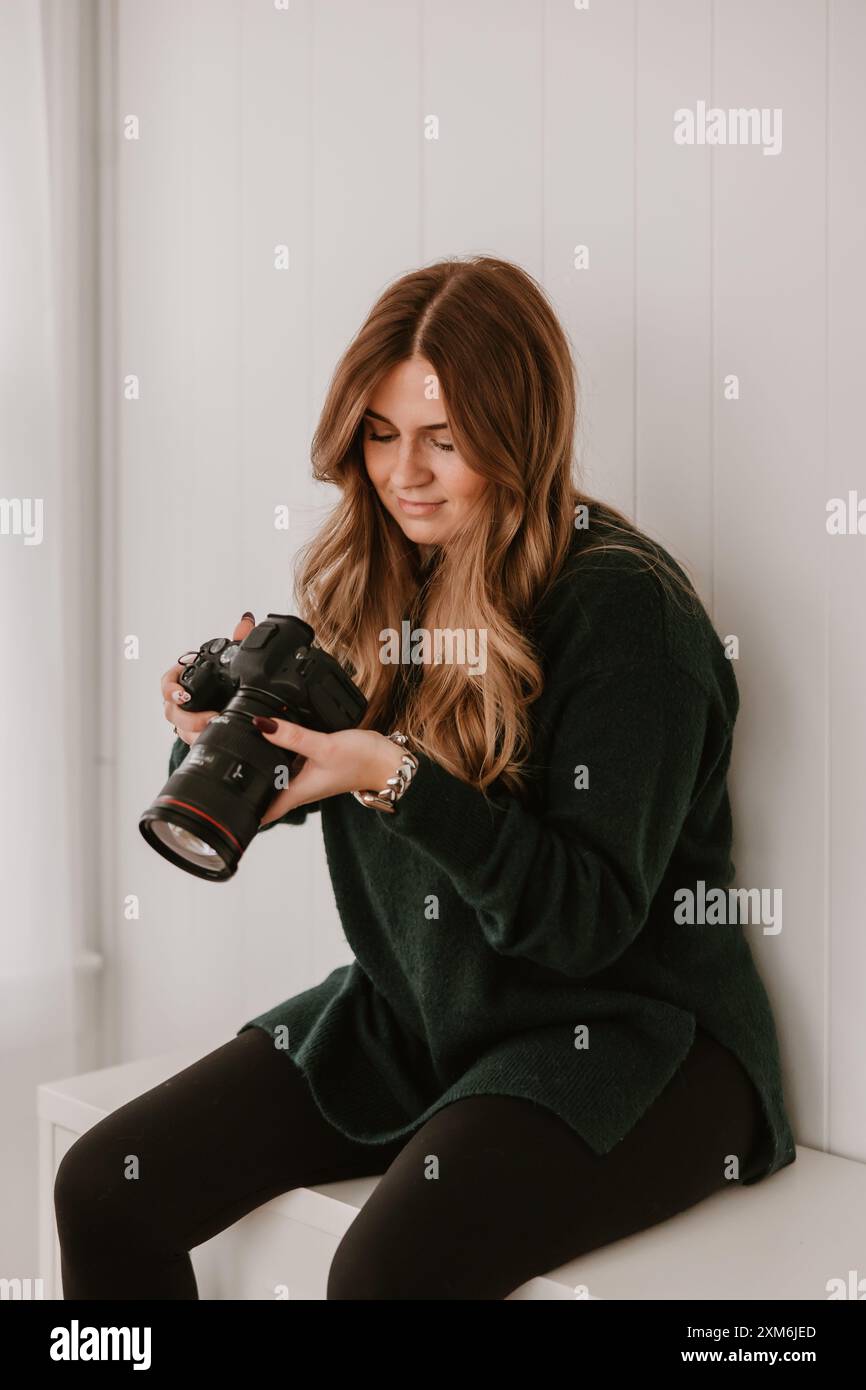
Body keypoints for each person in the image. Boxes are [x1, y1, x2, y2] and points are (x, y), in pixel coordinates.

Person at [54, 255, 796, 1301]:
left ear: (518, 434)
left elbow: (584, 920)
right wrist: (206, 740)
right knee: (102, 1187)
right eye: (382, 433)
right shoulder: (380, 573)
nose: (405, 473)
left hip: (631, 1033)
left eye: (444, 441)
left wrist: (399, 778)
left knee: (387, 1277)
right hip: (421, 1007)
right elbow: (297, 777)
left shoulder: (625, 613)